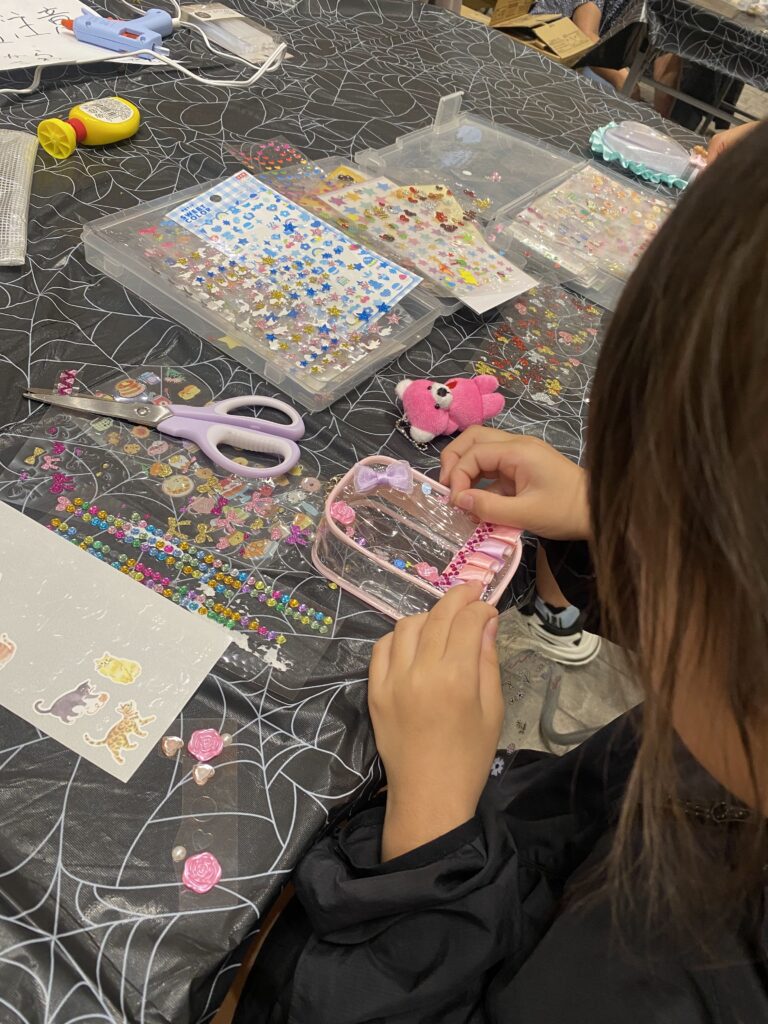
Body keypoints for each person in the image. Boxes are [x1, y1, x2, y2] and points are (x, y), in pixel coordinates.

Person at [233, 122, 768, 1023]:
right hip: (529, 858)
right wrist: (611, 522)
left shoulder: (667, 984)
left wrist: (432, 831)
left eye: (677, 540)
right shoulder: (731, 739)